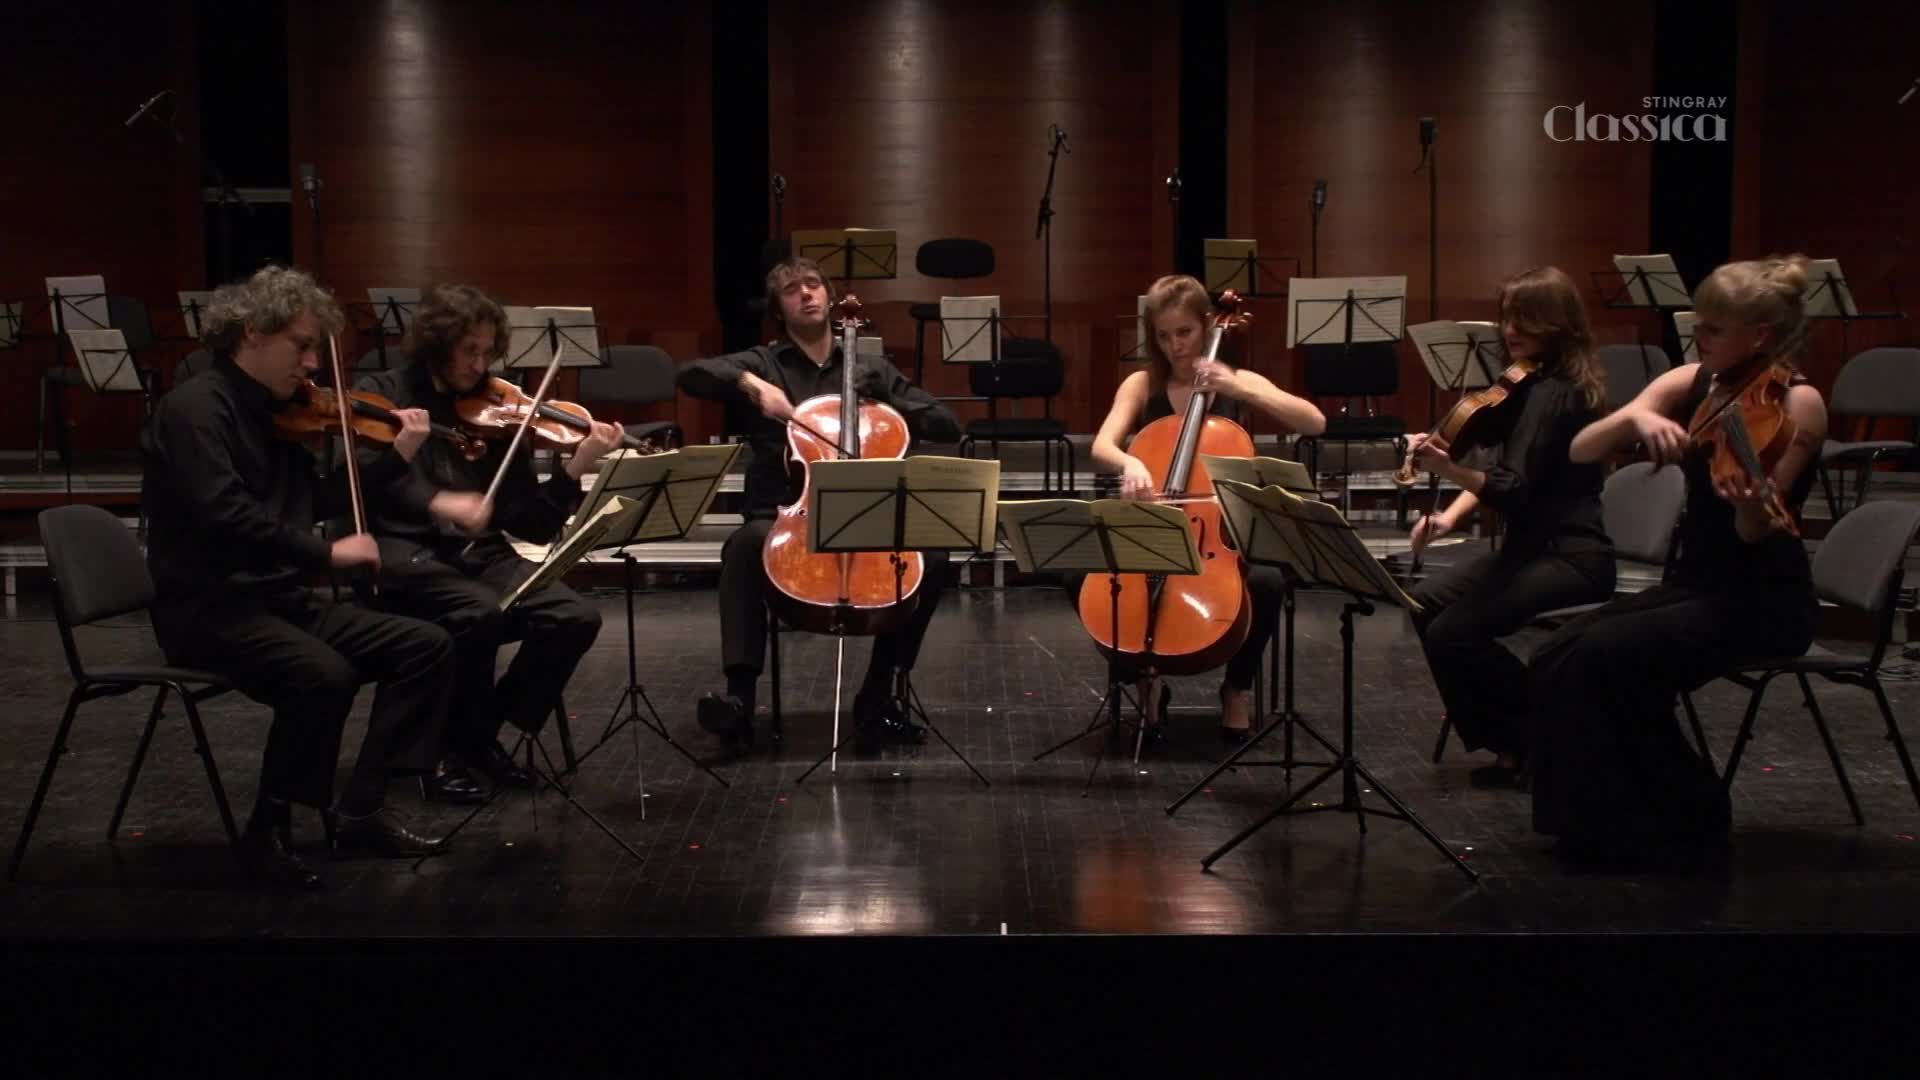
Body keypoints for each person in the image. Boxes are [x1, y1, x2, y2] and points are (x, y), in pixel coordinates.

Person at [141, 266, 479, 889]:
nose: (312, 364)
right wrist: (326, 555)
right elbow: (225, 514)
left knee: (426, 646)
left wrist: (391, 460)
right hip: (210, 608)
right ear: (251, 333)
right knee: (322, 674)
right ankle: (269, 828)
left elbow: (322, 495)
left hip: (276, 599)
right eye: (301, 345)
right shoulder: (193, 411)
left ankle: (361, 809)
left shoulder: (279, 412)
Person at [1528, 254, 1828, 870]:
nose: (1699, 338)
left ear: (1760, 336)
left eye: (1714, 329)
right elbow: (1584, 449)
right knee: (1559, 650)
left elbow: (1756, 533)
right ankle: (1598, 820)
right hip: (1697, 586)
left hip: (1762, 599)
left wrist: (1750, 507)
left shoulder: (1800, 404)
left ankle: (1688, 814)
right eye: (1700, 325)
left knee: (1603, 662)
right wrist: (1637, 415)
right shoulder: (1692, 382)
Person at [678, 255, 962, 753]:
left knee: (932, 560)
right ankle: (739, 700)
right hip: (786, 515)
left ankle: (878, 696)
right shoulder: (765, 363)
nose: (806, 293)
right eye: (792, 289)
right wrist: (749, 384)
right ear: (778, 309)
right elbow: (692, 375)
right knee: (743, 546)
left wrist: (893, 401)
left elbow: (947, 425)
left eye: (813, 285)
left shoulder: (870, 369)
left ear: (831, 299)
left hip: (868, 517)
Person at [356, 284, 623, 800]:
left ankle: (476, 738)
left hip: (480, 556)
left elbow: (531, 524)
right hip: (404, 551)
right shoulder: (385, 392)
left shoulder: (500, 412)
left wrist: (574, 468)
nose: (480, 365)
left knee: (573, 617)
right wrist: (438, 501)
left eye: (487, 352)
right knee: (479, 613)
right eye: (468, 351)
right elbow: (365, 481)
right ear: (438, 343)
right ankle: (434, 753)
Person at [1079, 273, 1326, 741]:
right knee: (1082, 576)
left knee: (1268, 582)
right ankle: (1143, 682)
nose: (1176, 346)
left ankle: (1237, 688)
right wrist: (1130, 461)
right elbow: (1101, 446)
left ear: (1208, 326)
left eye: (1186, 332)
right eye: (1165, 336)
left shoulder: (1237, 382)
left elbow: (1314, 422)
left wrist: (1240, 388)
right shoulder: (1142, 384)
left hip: (1217, 539)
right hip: (1154, 531)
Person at [1404, 267, 1617, 786]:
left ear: (1556, 322)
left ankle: (1538, 738)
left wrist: (1445, 468)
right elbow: (1498, 468)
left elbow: (1514, 486)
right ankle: (1518, 739)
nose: (1508, 329)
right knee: (1423, 602)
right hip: (1530, 550)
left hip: (1571, 556)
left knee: (1455, 632)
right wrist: (1449, 513)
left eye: (1523, 318)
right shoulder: (1530, 385)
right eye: (1506, 317)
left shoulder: (1557, 395)